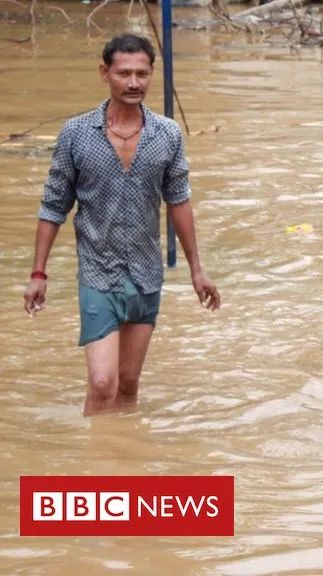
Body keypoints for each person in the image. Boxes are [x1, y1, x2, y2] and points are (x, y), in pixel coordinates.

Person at [22, 33, 220, 417]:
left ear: (151, 75)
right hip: (97, 273)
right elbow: (53, 206)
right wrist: (38, 273)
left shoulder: (167, 134)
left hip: (146, 274)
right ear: (105, 73)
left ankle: (122, 463)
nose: (133, 83)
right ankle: (94, 471)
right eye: (124, 73)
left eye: (142, 74)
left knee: (128, 385)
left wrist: (197, 270)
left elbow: (178, 200)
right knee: (102, 382)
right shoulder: (76, 134)